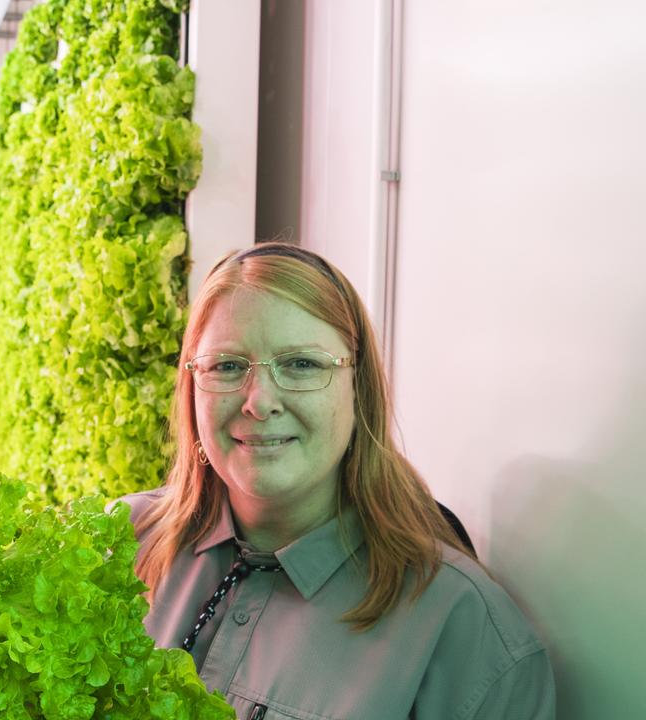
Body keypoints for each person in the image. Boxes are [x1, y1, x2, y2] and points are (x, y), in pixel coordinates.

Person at [119, 243, 555, 719]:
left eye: (302, 364)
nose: (259, 402)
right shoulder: (120, 541)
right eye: (227, 366)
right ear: (191, 387)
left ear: (358, 389)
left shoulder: (467, 634)